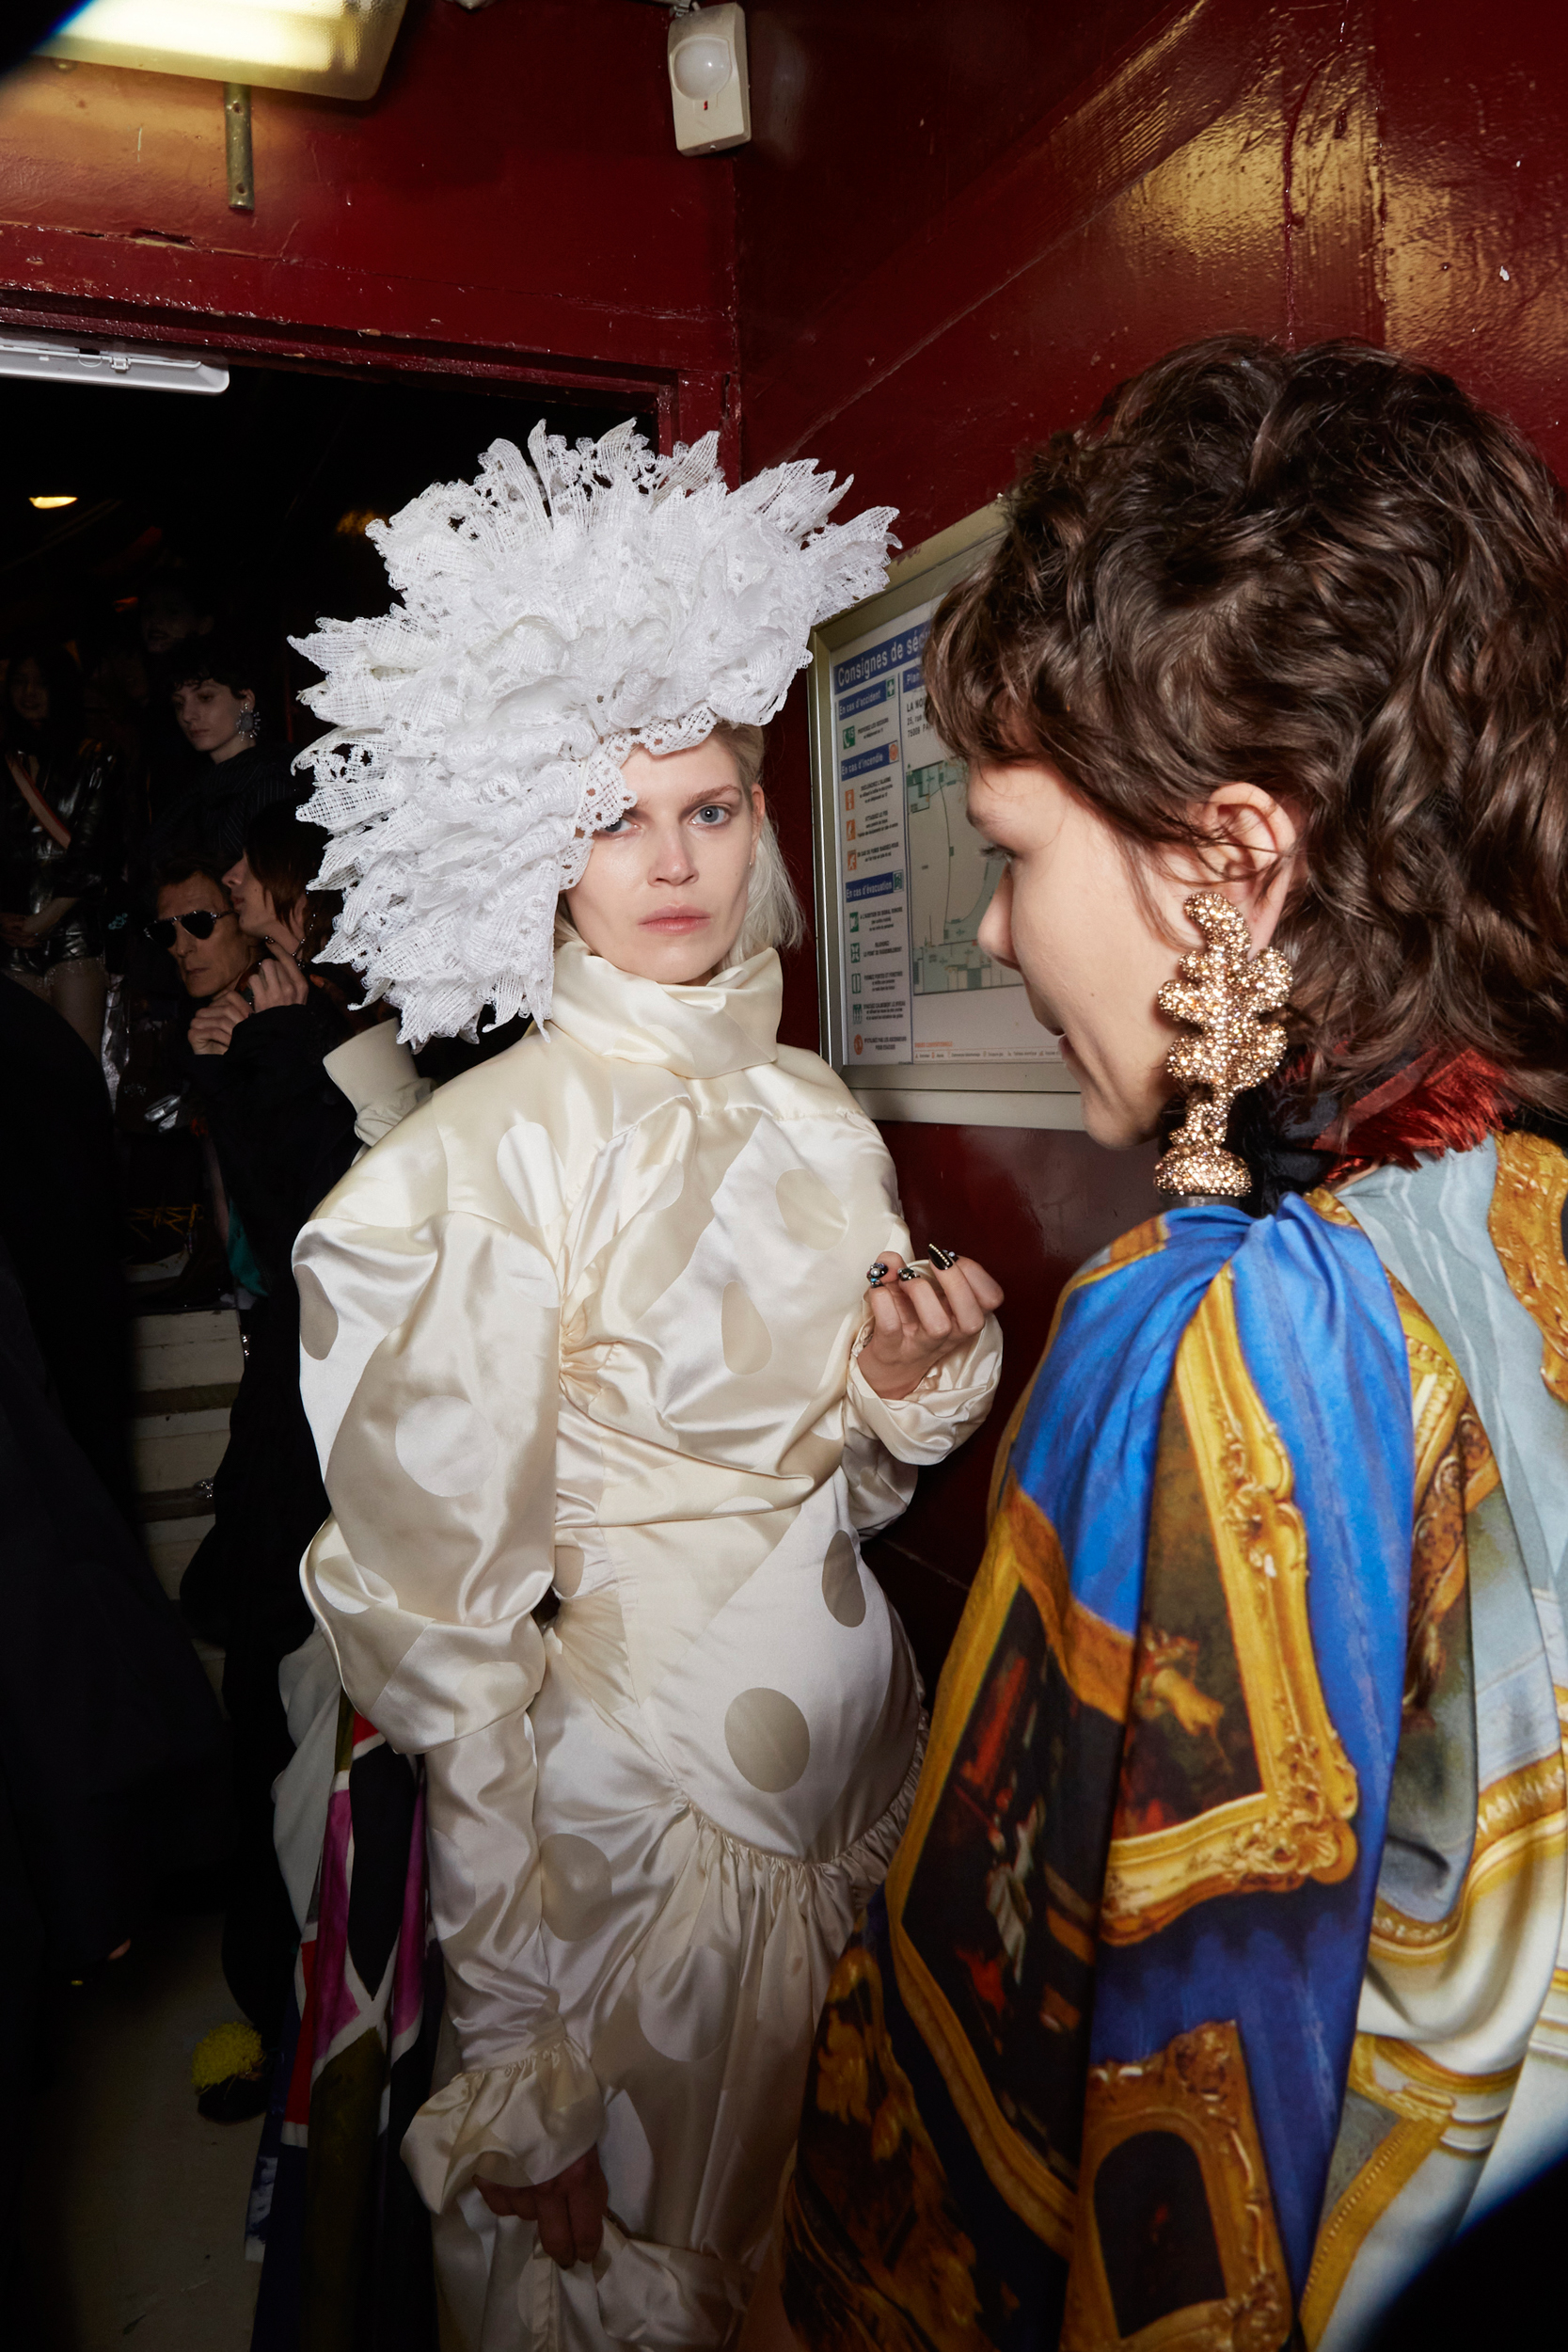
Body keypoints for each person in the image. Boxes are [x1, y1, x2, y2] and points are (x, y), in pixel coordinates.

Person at [745, 338, 1568, 2352]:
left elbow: (1024, 2117)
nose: (993, 932)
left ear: (1230, 864)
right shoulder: (1521, 1194)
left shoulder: (1237, 1342)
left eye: (1012, 853)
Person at [284, 423, 1005, 2351]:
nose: (674, 862)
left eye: (709, 808)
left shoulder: (810, 1105)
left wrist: (898, 1390)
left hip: (866, 1807)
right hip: (634, 1855)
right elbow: (451, 1651)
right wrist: (522, 2044)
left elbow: (836, 1493)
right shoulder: (474, 1165)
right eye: (614, 822)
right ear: (540, 853)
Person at [156, 838, 426, 2070]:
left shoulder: (354, 1033)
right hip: (288, 1412)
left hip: (356, 1431)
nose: (193, 939)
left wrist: (269, 1053)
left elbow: (329, 1245)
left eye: (218, 909)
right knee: (277, 1706)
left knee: (323, 1717)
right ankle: (282, 2004)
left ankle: (319, 2015)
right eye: (174, 925)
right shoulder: (252, 1038)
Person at [1, 637, 121, 1057]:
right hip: (11, 939)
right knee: (21, 1077)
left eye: (42, 682)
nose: (29, 693)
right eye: (20, 681)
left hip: (74, 937)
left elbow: (94, 854)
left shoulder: (98, 758)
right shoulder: (4, 762)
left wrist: (41, 922)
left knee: (78, 1068)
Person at [147, 642, 297, 869]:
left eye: (205, 697)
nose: (187, 715)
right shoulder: (191, 789)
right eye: (179, 704)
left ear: (246, 700)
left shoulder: (270, 784)